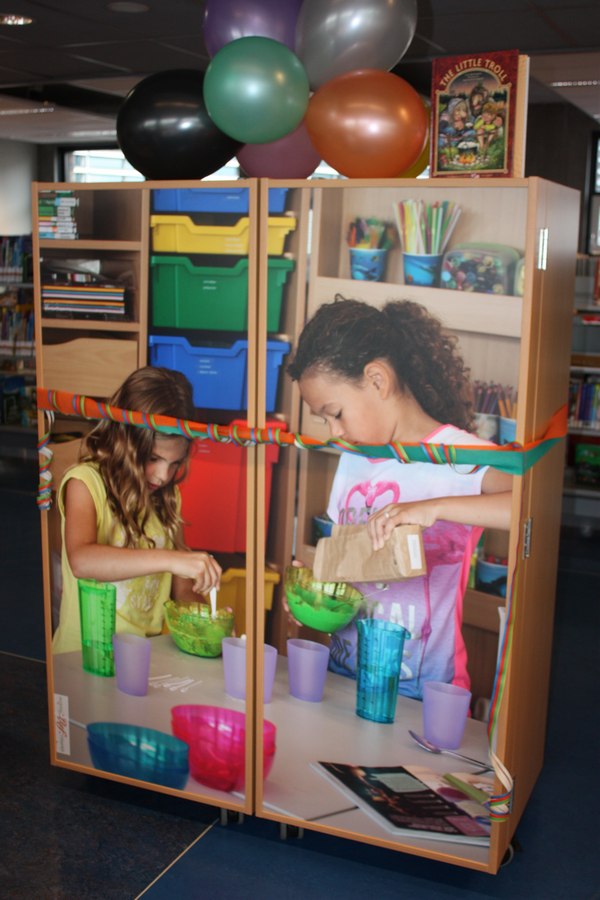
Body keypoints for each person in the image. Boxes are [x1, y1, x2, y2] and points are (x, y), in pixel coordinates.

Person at [287, 298, 512, 700]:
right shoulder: (353, 459)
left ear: (377, 380)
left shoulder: (457, 456)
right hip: (344, 680)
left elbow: (532, 508)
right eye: (325, 419)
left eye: (336, 413)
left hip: (423, 696)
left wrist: (433, 508)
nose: (334, 431)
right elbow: (351, 566)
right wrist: (318, 592)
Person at [52, 366, 221, 654]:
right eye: (153, 458)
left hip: (142, 657)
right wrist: (172, 560)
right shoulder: (86, 482)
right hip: (83, 656)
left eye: (175, 463)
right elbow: (81, 561)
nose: (163, 476)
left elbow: (182, 589)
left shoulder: (167, 498)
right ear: (125, 441)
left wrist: (205, 620)